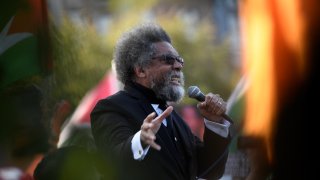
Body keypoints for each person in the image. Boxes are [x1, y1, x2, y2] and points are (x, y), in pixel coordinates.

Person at [90, 22, 232, 180]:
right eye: (168, 60)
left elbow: (210, 170)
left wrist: (214, 123)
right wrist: (141, 140)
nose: (178, 66)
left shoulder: (175, 118)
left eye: (180, 60)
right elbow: (114, 159)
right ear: (141, 70)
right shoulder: (111, 108)